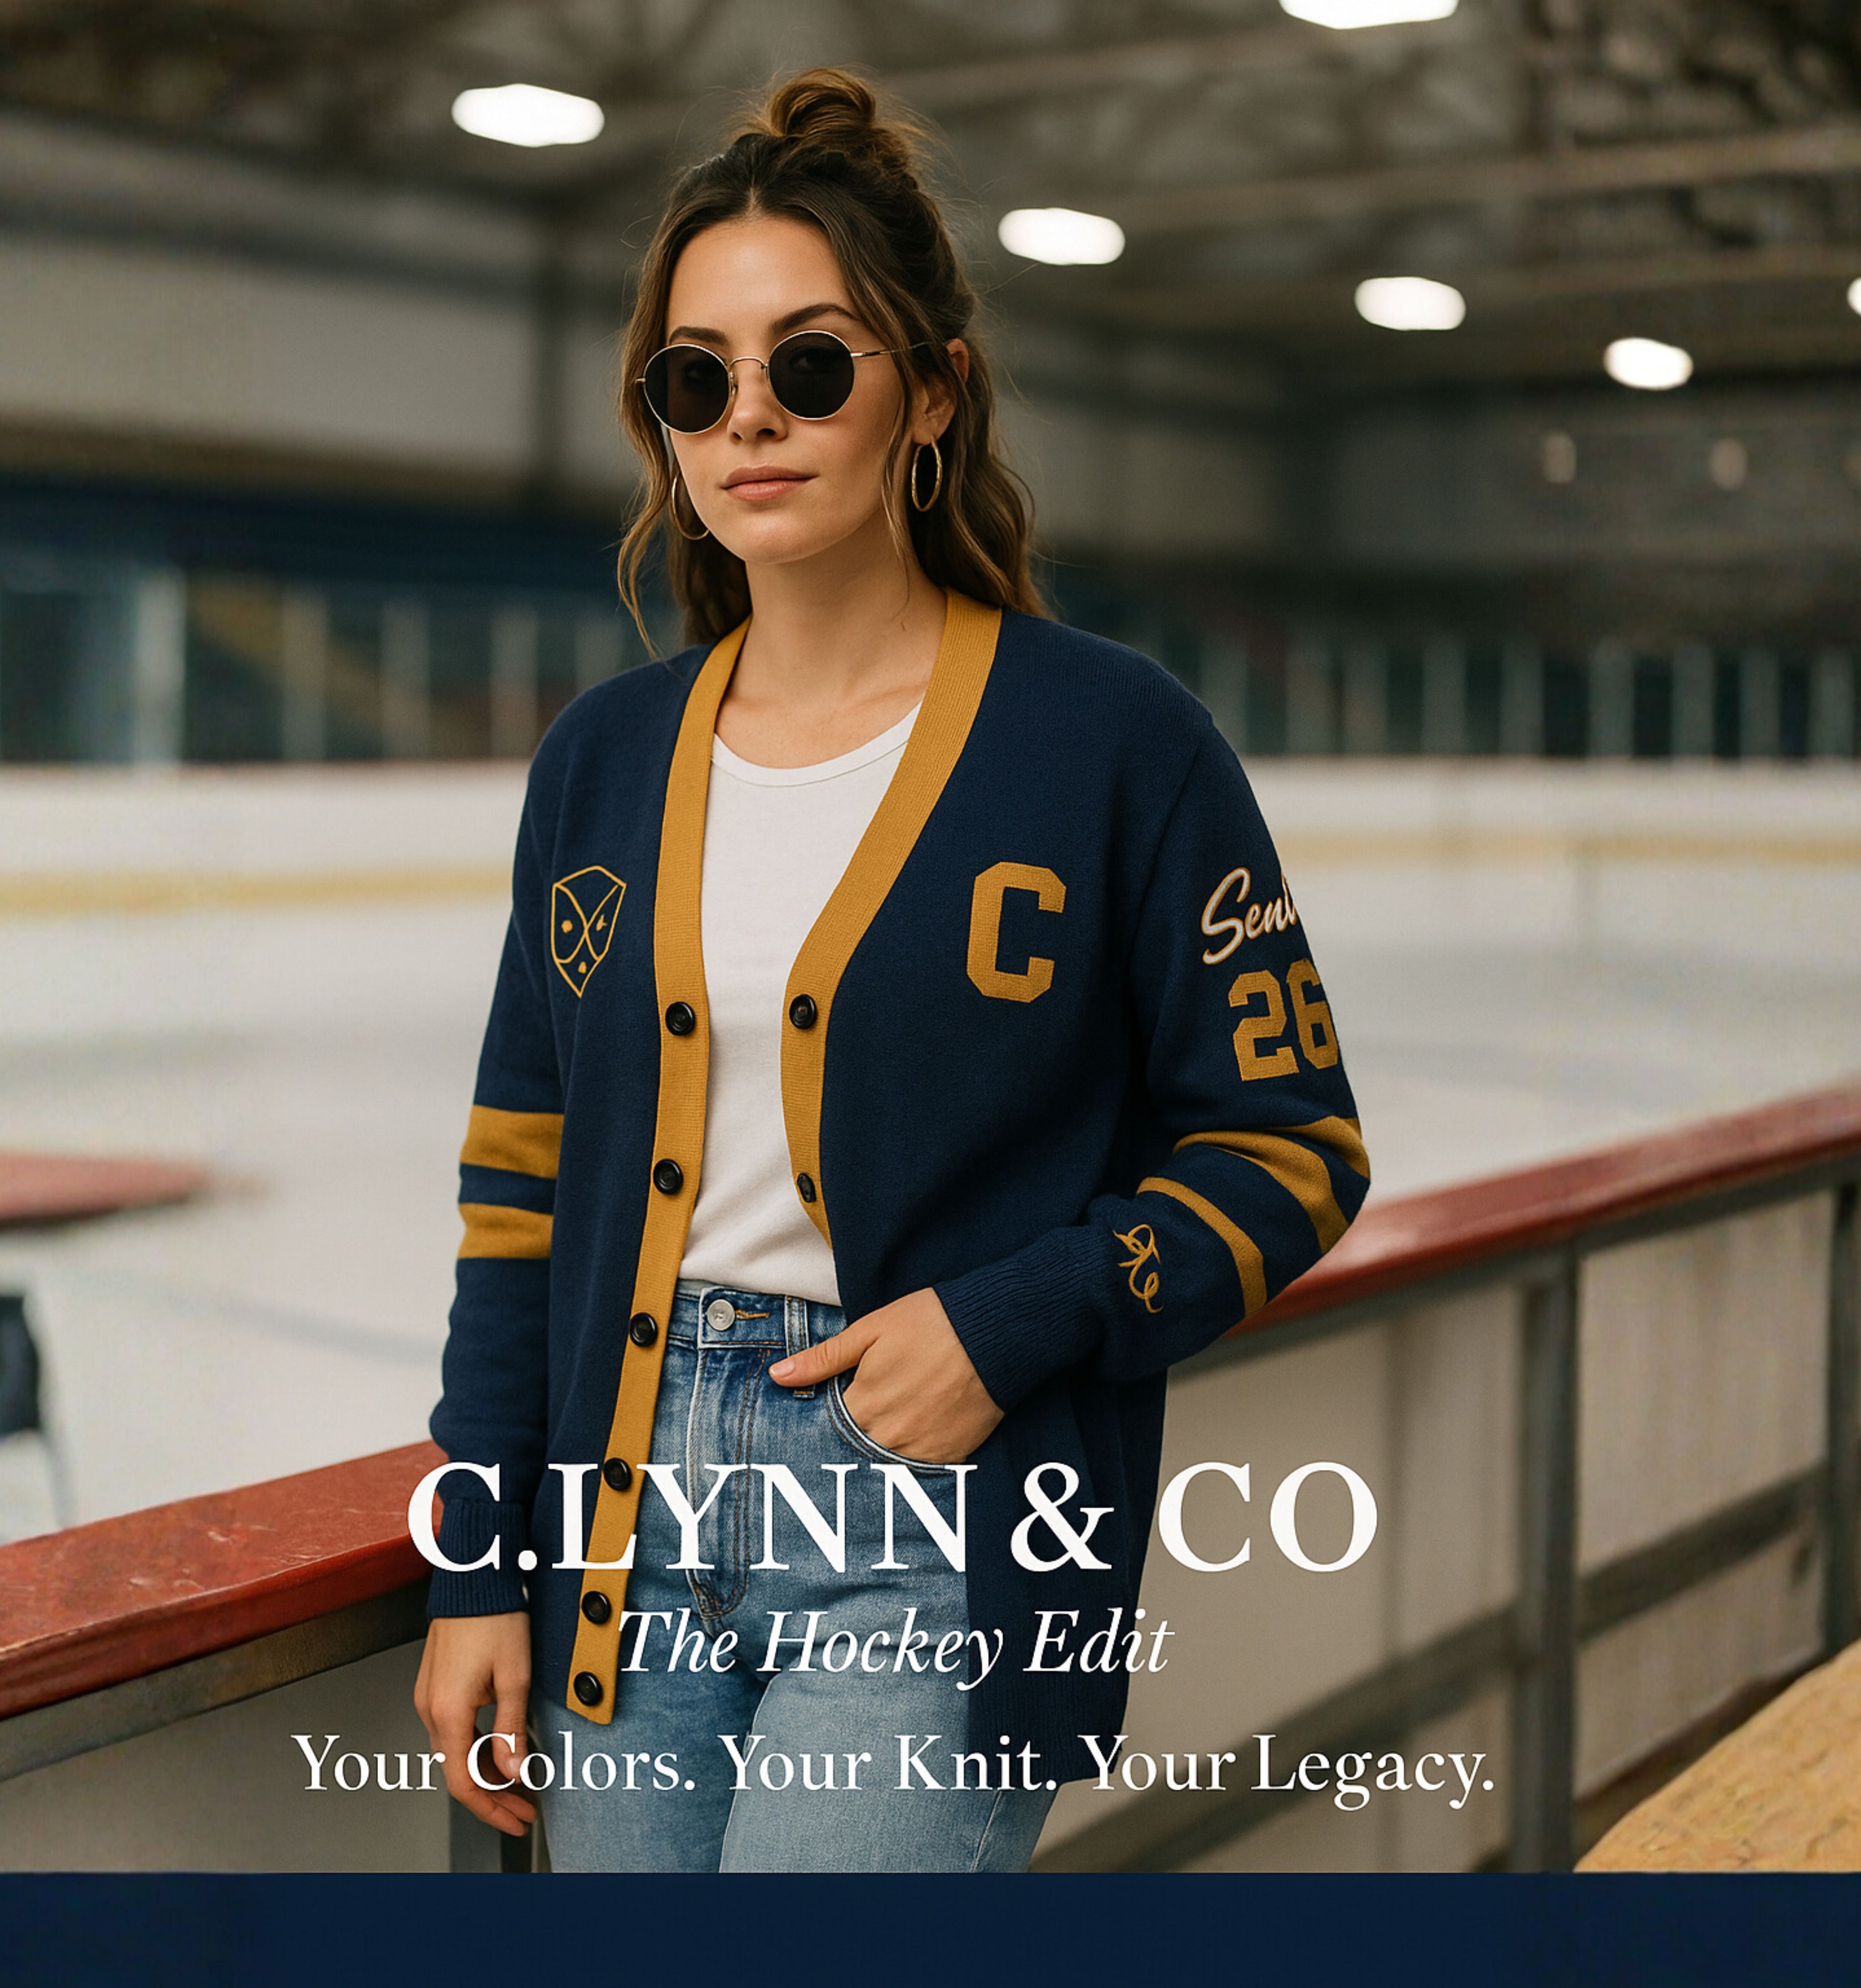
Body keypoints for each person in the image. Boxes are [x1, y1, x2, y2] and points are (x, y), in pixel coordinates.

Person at [412, 65, 1369, 1875]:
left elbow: (1293, 1149)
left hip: (938, 1515)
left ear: (925, 393)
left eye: (813, 363)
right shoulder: (602, 764)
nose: (750, 418)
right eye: (696, 379)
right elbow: (516, 1195)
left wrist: (1010, 1326)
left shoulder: (1116, 745)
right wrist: (482, 1567)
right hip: (625, 1535)